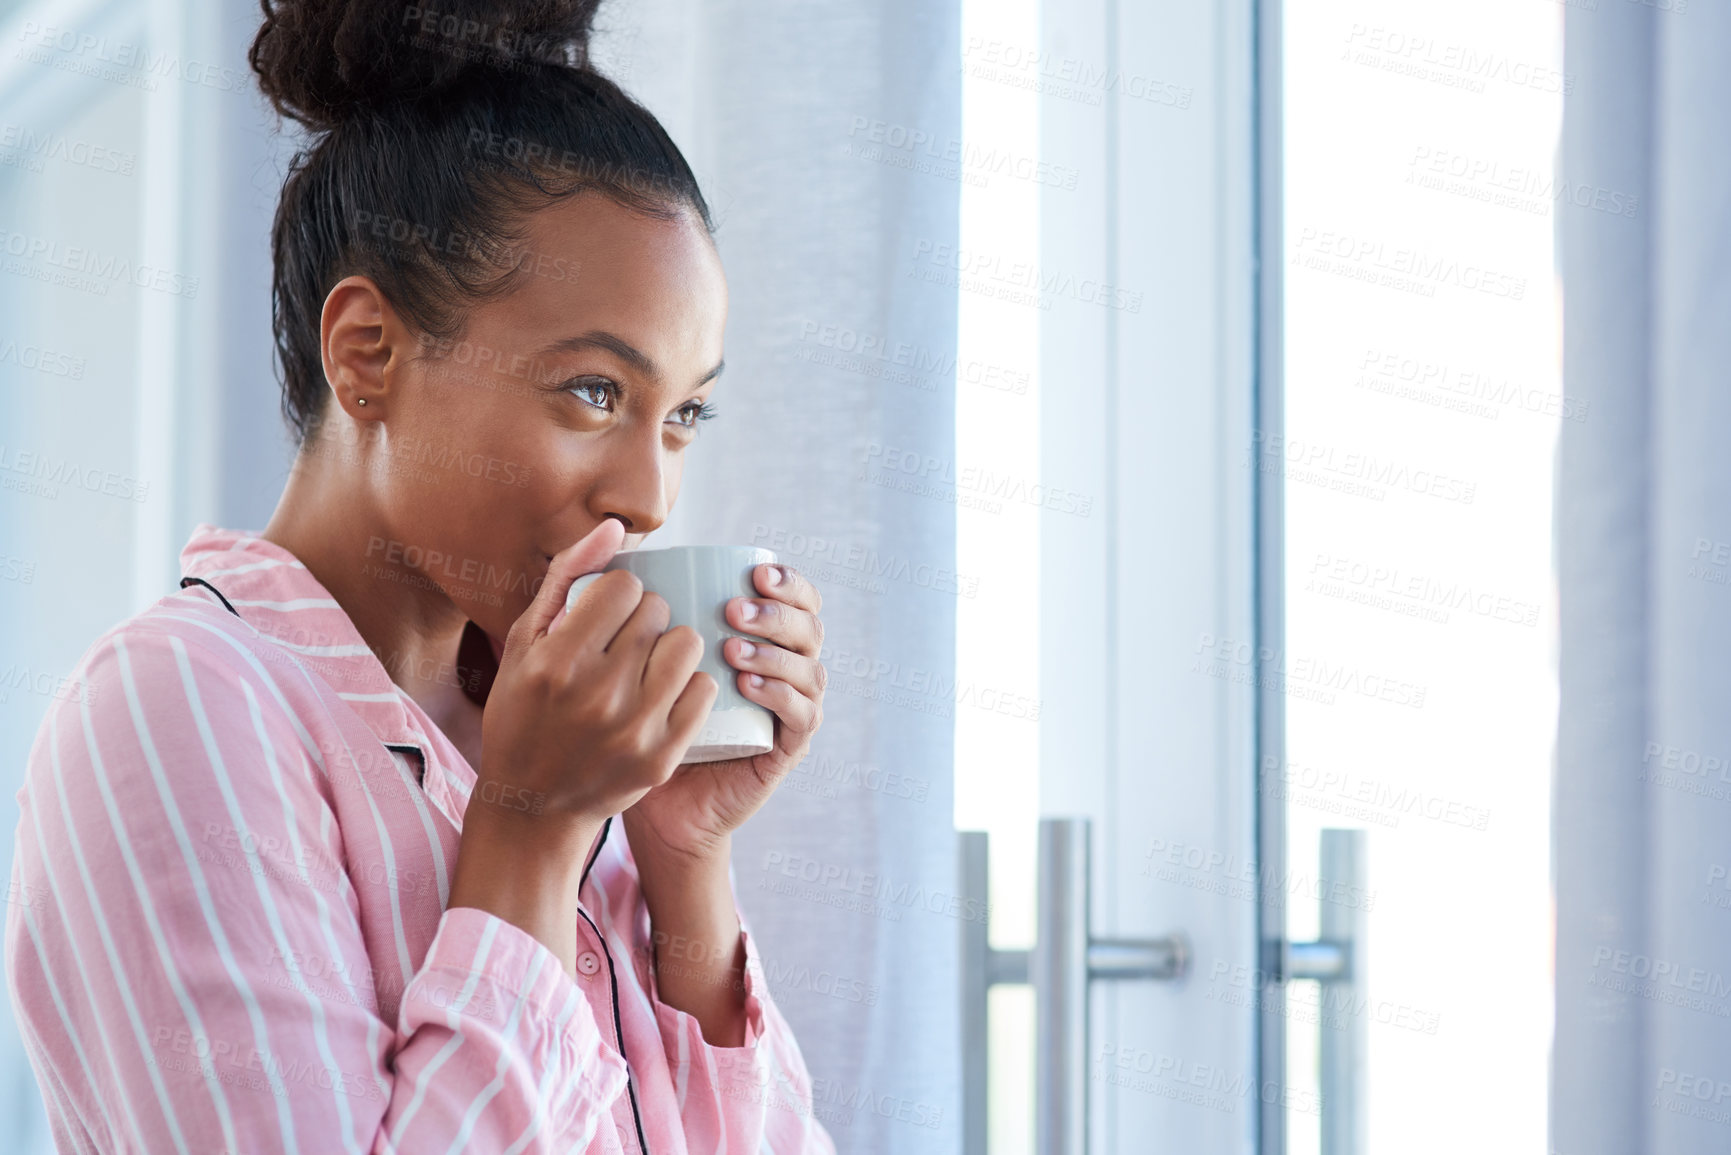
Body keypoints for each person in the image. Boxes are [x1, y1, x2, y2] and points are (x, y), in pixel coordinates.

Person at [3, 1, 836, 1151]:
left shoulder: (549, 734)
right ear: (369, 354)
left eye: (683, 413)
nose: (649, 497)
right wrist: (528, 837)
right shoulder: (172, 713)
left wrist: (683, 863)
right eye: (595, 392)